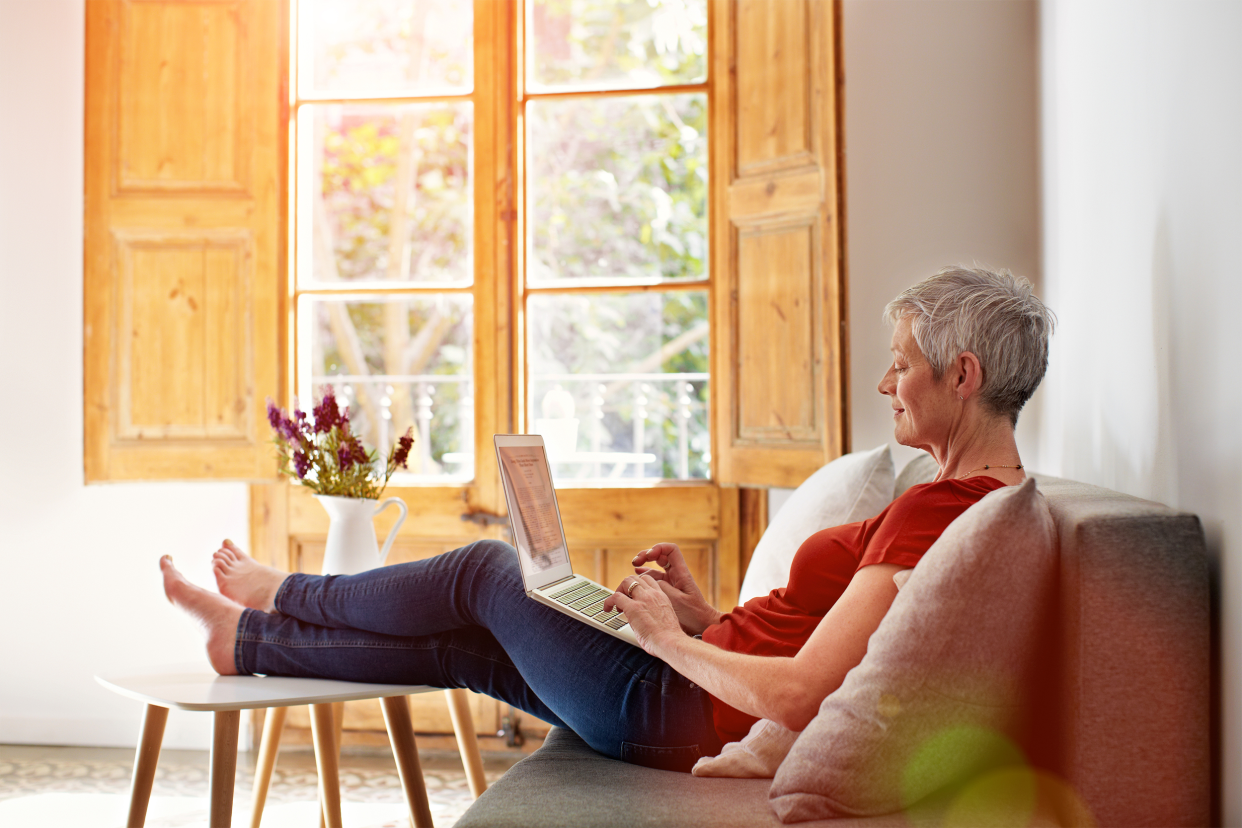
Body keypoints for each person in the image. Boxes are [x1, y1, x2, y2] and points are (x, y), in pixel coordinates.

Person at [161, 265, 1055, 773]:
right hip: (682, 685)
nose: (885, 385)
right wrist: (704, 615)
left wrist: (667, 640)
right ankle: (242, 641)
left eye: (901, 366)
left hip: (672, 706)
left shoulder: (948, 510)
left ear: (963, 376)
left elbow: (804, 694)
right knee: (462, 646)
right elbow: (806, 642)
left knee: (483, 571)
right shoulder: (969, 503)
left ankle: (287, 590)